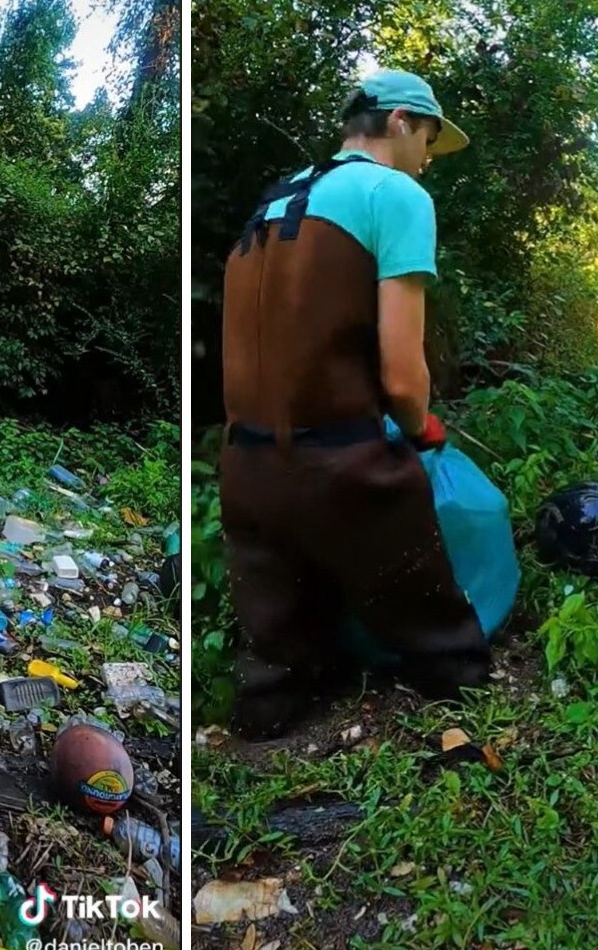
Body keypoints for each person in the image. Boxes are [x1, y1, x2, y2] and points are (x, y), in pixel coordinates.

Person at [219, 69, 490, 740]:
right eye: (428, 139)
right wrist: (421, 427)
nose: (428, 160)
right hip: (340, 466)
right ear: (400, 122)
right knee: (452, 658)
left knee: (279, 666)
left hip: (245, 473)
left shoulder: (280, 197)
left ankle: (275, 694)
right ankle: (449, 669)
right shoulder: (392, 194)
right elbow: (402, 375)